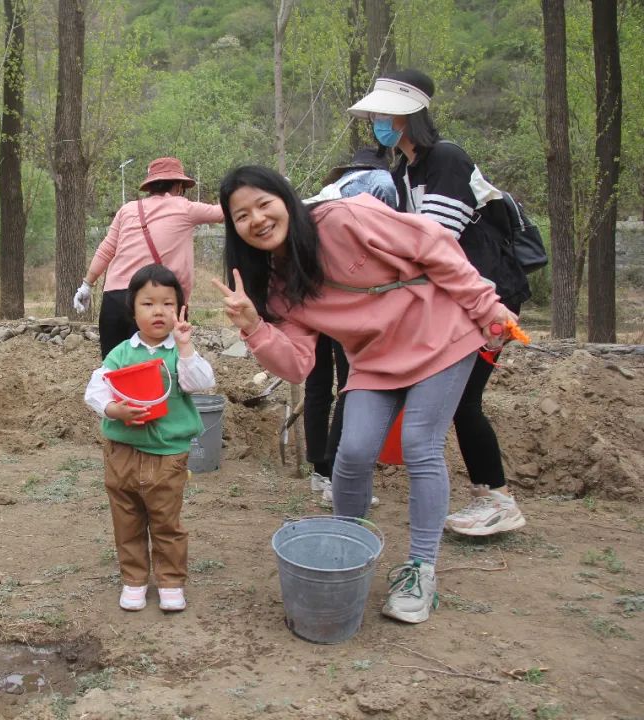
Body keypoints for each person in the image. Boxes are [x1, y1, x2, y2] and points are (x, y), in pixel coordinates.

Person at [212, 166, 515, 623]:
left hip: (440, 332)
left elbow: (431, 244)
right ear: (234, 229)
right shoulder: (277, 288)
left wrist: (486, 306)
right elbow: (297, 364)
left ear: (286, 199)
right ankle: (347, 552)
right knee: (351, 453)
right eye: (241, 215)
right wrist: (255, 327)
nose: (256, 219)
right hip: (374, 358)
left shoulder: (342, 218)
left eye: (263, 204)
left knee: (420, 442)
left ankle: (420, 570)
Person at [348, 70, 530, 537]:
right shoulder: (403, 172)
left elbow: (434, 243)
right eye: (375, 115)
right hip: (455, 301)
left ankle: (497, 499)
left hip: (488, 297)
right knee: (463, 401)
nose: (378, 123)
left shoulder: (447, 160)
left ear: (409, 116)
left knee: (465, 399)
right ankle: (492, 496)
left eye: (384, 114)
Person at [84, 263, 215, 612]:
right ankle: (134, 580)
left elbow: (201, 383)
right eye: (148, 303)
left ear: (180, 309)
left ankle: (170, 582)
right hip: (123, 452)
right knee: (126, 519)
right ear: (132, 309)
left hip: (168, 455)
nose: (158, 311)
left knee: (166, 521)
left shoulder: (179, 352)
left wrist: (185, 347)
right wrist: (115, 410)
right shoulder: (121, 353)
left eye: (168, 303)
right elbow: (95, 389)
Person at [302, 147, 396, 507]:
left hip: (311, 299)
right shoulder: (379, 183)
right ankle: (335, 475)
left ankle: (319, 469)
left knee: (317, 385)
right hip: (347, 301)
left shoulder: (323, 196)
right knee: (351, 384)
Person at [74, 157, 224, 358]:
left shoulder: (127, 210)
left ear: (150, 186)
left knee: (114, 365)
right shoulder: (184, 207)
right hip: (155, 300)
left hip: (114, 300)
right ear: (178, 186)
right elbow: (223, 213)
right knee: (157, 368)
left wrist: (87, 284)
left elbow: (106, 249)